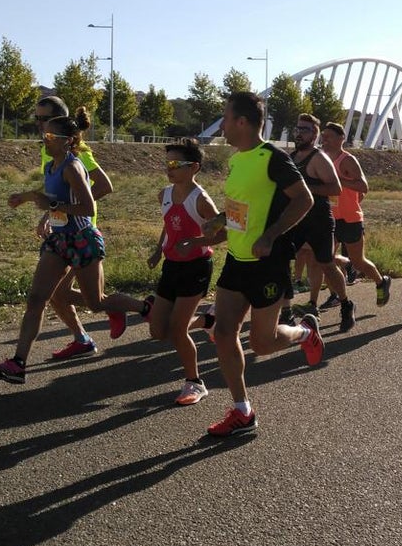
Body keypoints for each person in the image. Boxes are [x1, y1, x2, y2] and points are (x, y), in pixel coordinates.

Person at [0, 109, 149, 383]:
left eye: (49, 135)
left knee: (96, 303)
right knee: (37, 299)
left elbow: (88, 206)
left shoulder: (73, 167)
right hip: (58, 240)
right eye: (43, 133)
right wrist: (27, 198)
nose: (44, 138)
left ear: (67, 140)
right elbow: (50, 196)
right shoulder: (51, 166)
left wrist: (53, 207)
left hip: (82, 239)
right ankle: (18, 363)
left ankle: (143, 308)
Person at [197, 92, 322, 439]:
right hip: (237, 259)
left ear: (242, 122)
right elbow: (246, 204)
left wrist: (271, 234)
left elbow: (305, 199)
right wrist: (222, 220)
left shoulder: (273, 158)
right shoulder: (237, 160)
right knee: (223, 333)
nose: (221, 124)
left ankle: (305, 333)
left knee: (262, 344)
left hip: (267, 263)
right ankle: (242, 410)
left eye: (225, 117)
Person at [30, 95, 136, 359]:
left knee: (61, 294)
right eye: (37, 119)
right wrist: (51, 212)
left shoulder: (77, 150)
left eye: (43, 119)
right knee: (56, 294)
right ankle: (84, 337)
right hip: (62, 230)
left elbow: (104, 185)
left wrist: (66, 207)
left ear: (57, 121)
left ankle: (128, 307)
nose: (39, 125)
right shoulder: (48, 147)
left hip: (80, 232)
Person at [145, 139, 220, 406]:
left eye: (176, 164)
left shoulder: (201, 200)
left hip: (196, 267)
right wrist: (158, 249)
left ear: (194, 167)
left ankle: (195, 382)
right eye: (167, 163)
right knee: (157, 331)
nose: (170, 168)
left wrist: (195, 242)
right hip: (172, 266)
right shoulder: (164, 194)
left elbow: (222, 233)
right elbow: (169, 224)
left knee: (177, 330)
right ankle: (206, 322)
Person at [286, 114, 355, 333]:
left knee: (325, 264)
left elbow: (336, 189)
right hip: (296, 220)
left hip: (319, 221)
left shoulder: (319, 159)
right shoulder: (291, 157)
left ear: (314, 135)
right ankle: (286, 313)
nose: (299, 133)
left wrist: (306, 189)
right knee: (282, 261)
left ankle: (345, 303)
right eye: (297, 128)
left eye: (305, 129)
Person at [319, 121, 393, 310]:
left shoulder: (348, 160)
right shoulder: (322, 159)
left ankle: (381, 281)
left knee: (359, 261)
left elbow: (363, 187)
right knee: (325, 259)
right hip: (330, 218)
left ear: (341, 138)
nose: (324, 139)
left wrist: (340, 181)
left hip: (351, 218)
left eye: (328, 136)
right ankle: (336, 294)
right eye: (323, 136)